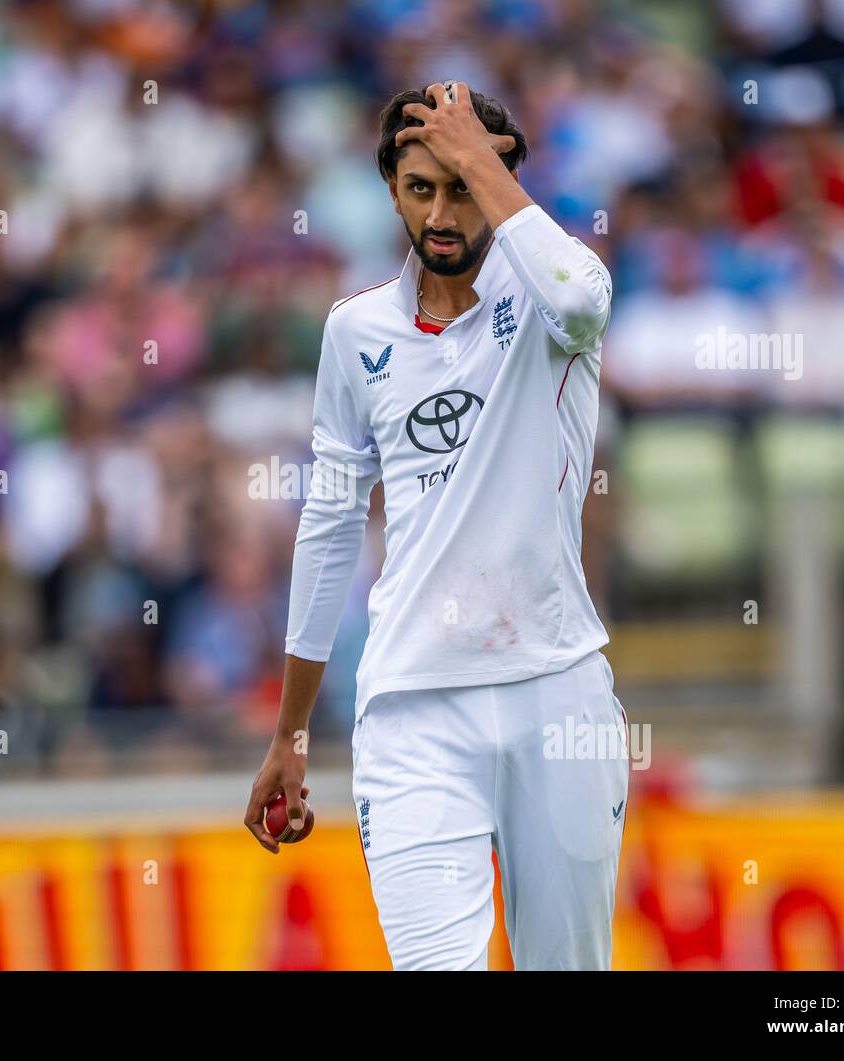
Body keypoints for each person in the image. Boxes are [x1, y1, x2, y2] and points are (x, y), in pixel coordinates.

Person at [245, 81, 629, 971]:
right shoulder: (355, 332)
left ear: (499, 178)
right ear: (390, 190)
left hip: (556, 688)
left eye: (461, 184)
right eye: (422, 187)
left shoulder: (550, 301)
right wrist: (291, 732)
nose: (442, 210)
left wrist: (476, 159)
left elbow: (581, 299)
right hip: (413, 706)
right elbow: (331, 523)